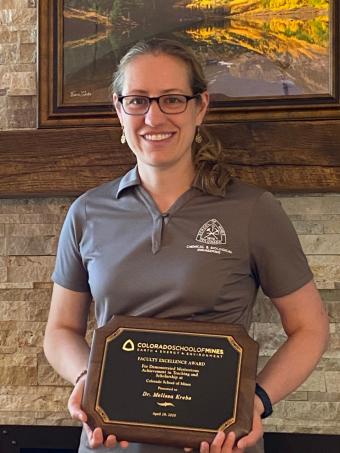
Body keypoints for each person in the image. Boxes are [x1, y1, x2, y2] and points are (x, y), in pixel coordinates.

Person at [44, 38, 329, 453]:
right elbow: (61, 330)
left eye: (173, 99)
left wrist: (256, 402)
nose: (154, 116)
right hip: (109, 444)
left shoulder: (253, 210)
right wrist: (87, 379)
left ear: (201, 107)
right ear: (118, 109)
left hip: (219, 444)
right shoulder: (87, 211)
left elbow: (310, 327)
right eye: (138, 100)